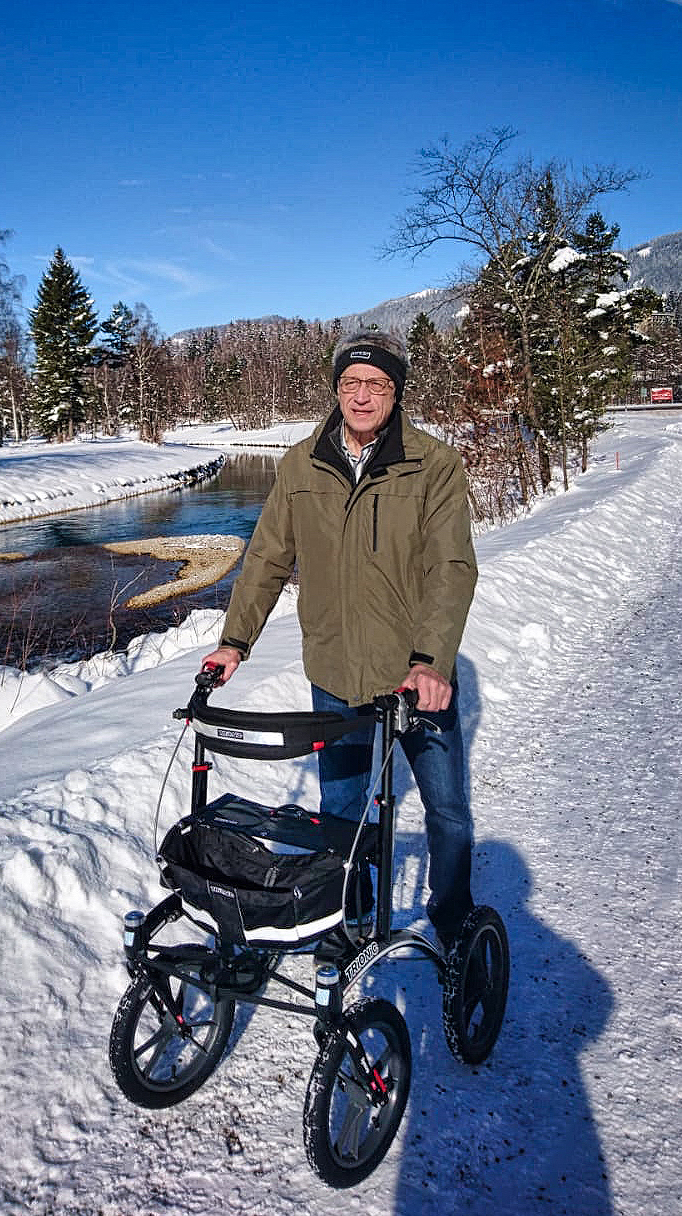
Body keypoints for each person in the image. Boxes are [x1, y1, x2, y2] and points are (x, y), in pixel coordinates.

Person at [202, 329, 478, 950]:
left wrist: (432, 661)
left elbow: (451, 568)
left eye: (377, 383)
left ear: (396, 391)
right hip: (334, 671)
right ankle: (349, 916)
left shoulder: (433, 464)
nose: (362, 395)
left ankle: (454, 917)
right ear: (335, 388)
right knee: (342, 810)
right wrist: (235, 640)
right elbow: (268, 558)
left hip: (415, 676)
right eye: (351, 382)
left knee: (446, 810)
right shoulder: (301, 463)